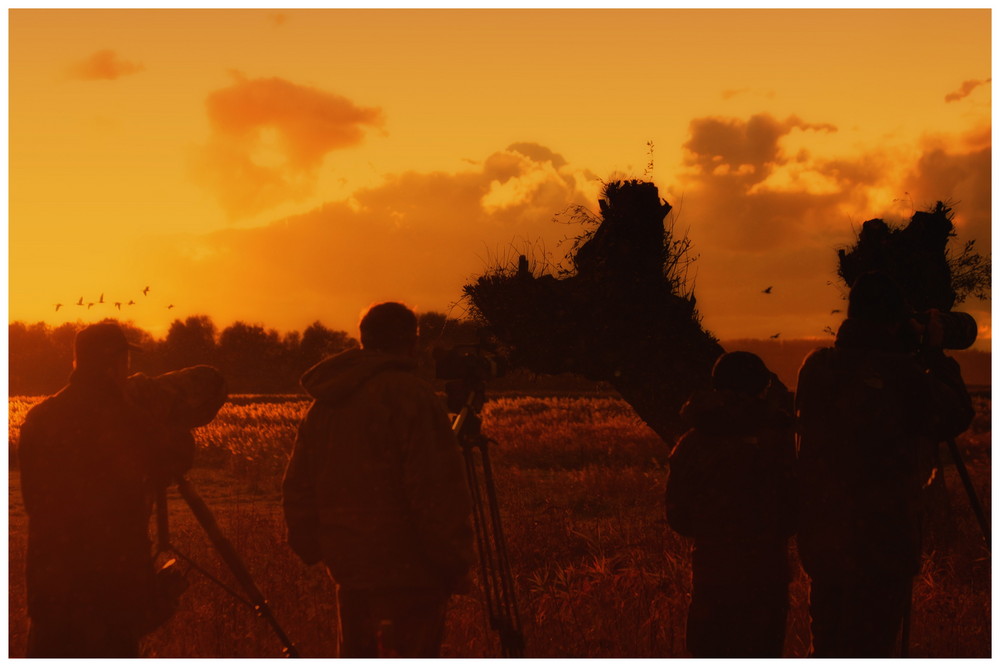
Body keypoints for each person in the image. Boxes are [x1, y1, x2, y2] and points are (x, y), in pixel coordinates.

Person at [18, 320, 227, 657]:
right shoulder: (127, 419)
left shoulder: (39, 418)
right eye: (125, 362)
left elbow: (33, 501)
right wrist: (156, 403)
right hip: (110, 593)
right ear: (114, 364)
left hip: (50, 590)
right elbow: (177, 454)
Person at [796, 271, 974, 657]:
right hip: (881, 543)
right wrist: (934, 353)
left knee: (828, 645)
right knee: (870, 649)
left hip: (823, 538)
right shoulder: (903, 376)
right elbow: (955, 414)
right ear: (895, 320)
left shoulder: (817, 368)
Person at [282, 302, 475, 658]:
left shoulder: (326, 404)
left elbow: (297, 488)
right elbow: (436, 493)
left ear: (363, 341)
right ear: (411, 342)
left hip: (350, 573)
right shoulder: (412, 397)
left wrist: (316, 548)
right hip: (411, 578)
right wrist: (456, 563)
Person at [665, 351, 796, 657]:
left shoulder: (692, 442)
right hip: (766, 575)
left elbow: (678, 517)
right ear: (761, 388)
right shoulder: (778, 439)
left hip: (712, 574)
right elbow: (794, 512)